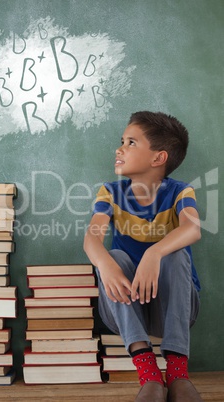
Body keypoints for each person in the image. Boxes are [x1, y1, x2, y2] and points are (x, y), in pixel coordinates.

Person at [84, 111, 203, 402]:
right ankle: (148, 372)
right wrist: (104, 265)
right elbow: (91, 238)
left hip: (174, 309)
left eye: (131, 142)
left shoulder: (179, 191)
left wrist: (155, 251)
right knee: (114, 256)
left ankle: (177, 373)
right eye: (121, 141)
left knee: (175, 256)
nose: (119, 148)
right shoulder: (110, 192)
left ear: (158, 158)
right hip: (126, 309)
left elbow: (193, 228)